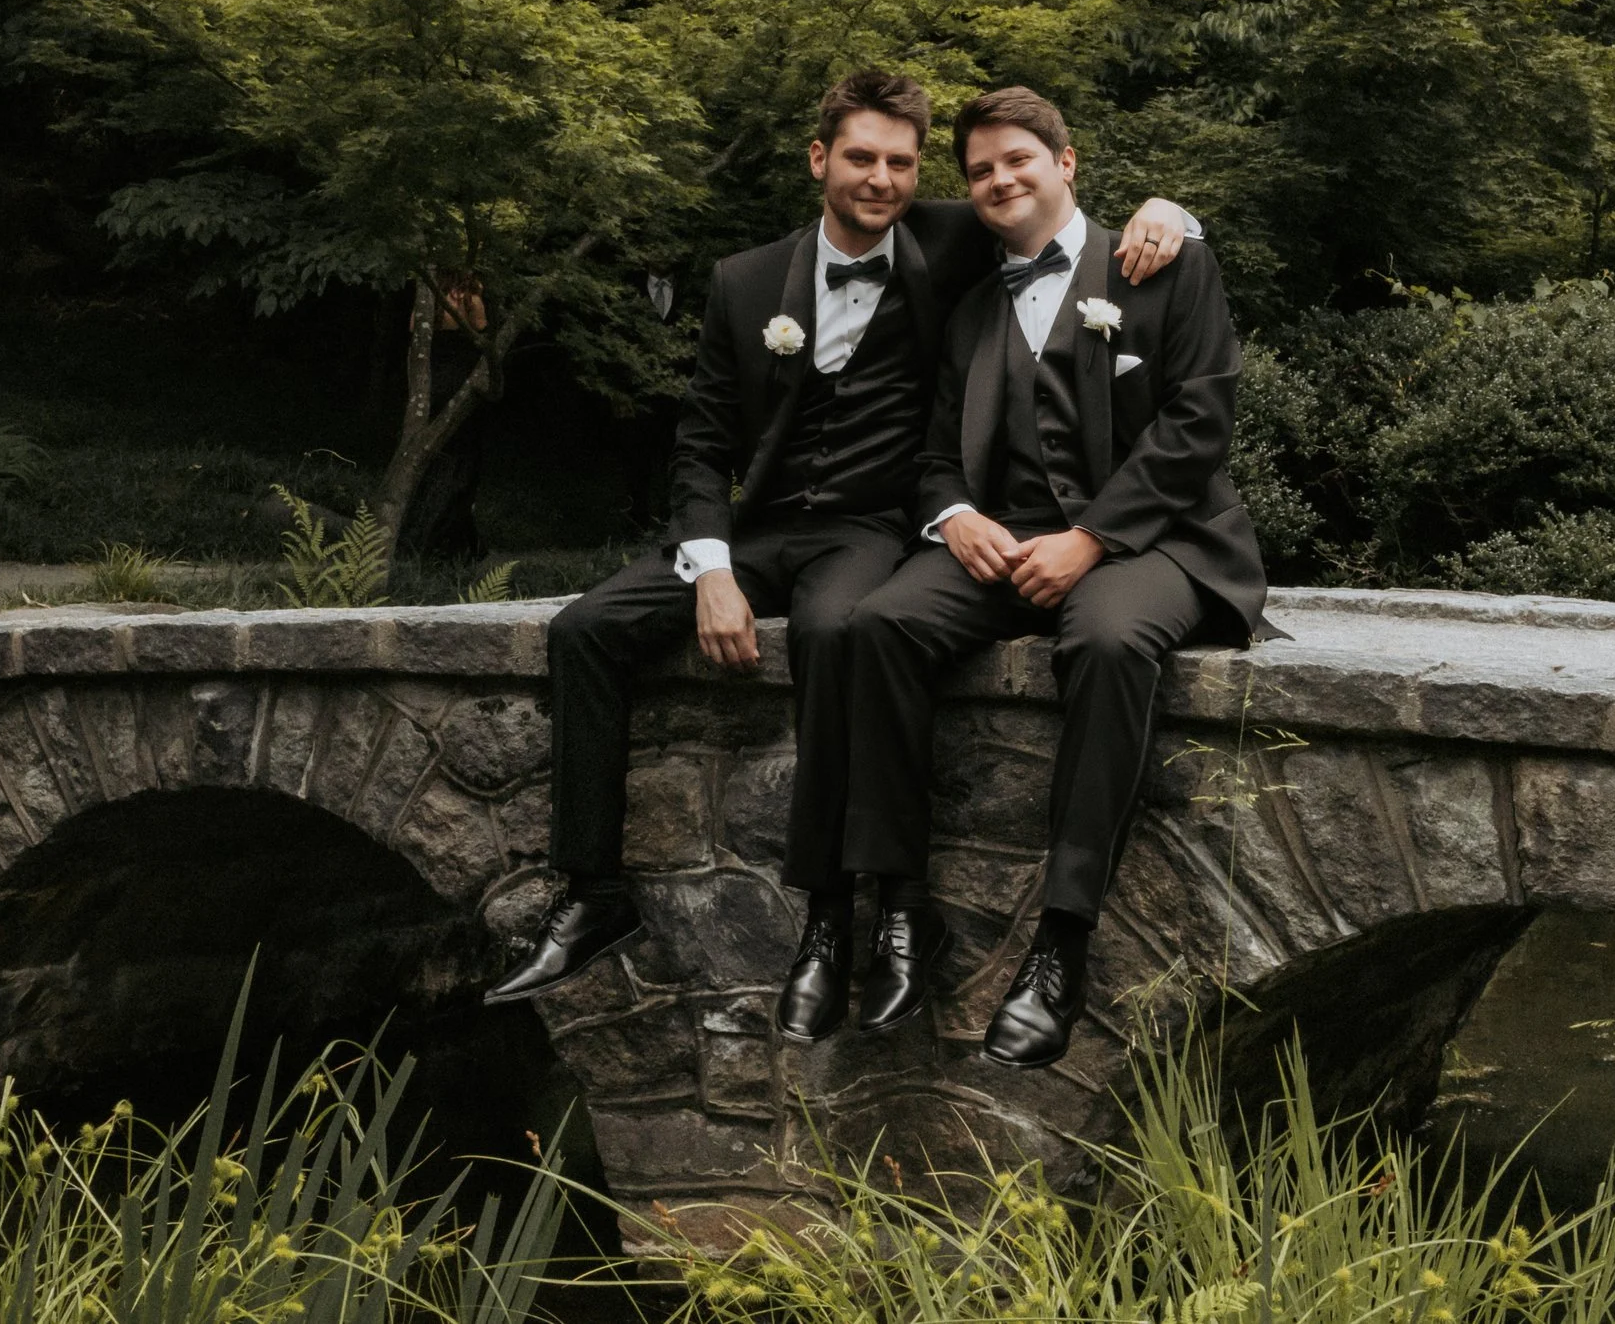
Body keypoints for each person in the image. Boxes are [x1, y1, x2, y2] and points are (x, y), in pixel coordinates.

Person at [484, 71, 1201, 1043]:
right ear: (820, 158)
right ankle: (591, 891)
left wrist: (1170, 211)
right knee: (583, 629)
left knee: (836, 630)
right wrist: (715, 569)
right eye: (860, 157)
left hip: (871, 527)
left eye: (901, 163)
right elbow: (700, 442)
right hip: (758, 529)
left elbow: (1056, 212)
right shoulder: (745, 281)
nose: (880, 178)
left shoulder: (952, 240)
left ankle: (837, 921)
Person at [838, 85, 1268, 1069]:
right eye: (980, 170)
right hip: (1008, 542)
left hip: (1157, 540)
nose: (999, 180)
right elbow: (936, 457)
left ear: (1066, 163)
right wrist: (957, 517)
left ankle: (1060, 944)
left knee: (1109, 641)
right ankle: (903, 910)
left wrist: (1094, 537)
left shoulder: (1164, 265)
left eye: (1017, 160)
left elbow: (1198, 425)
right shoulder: (968, 306)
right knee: (878, 624)